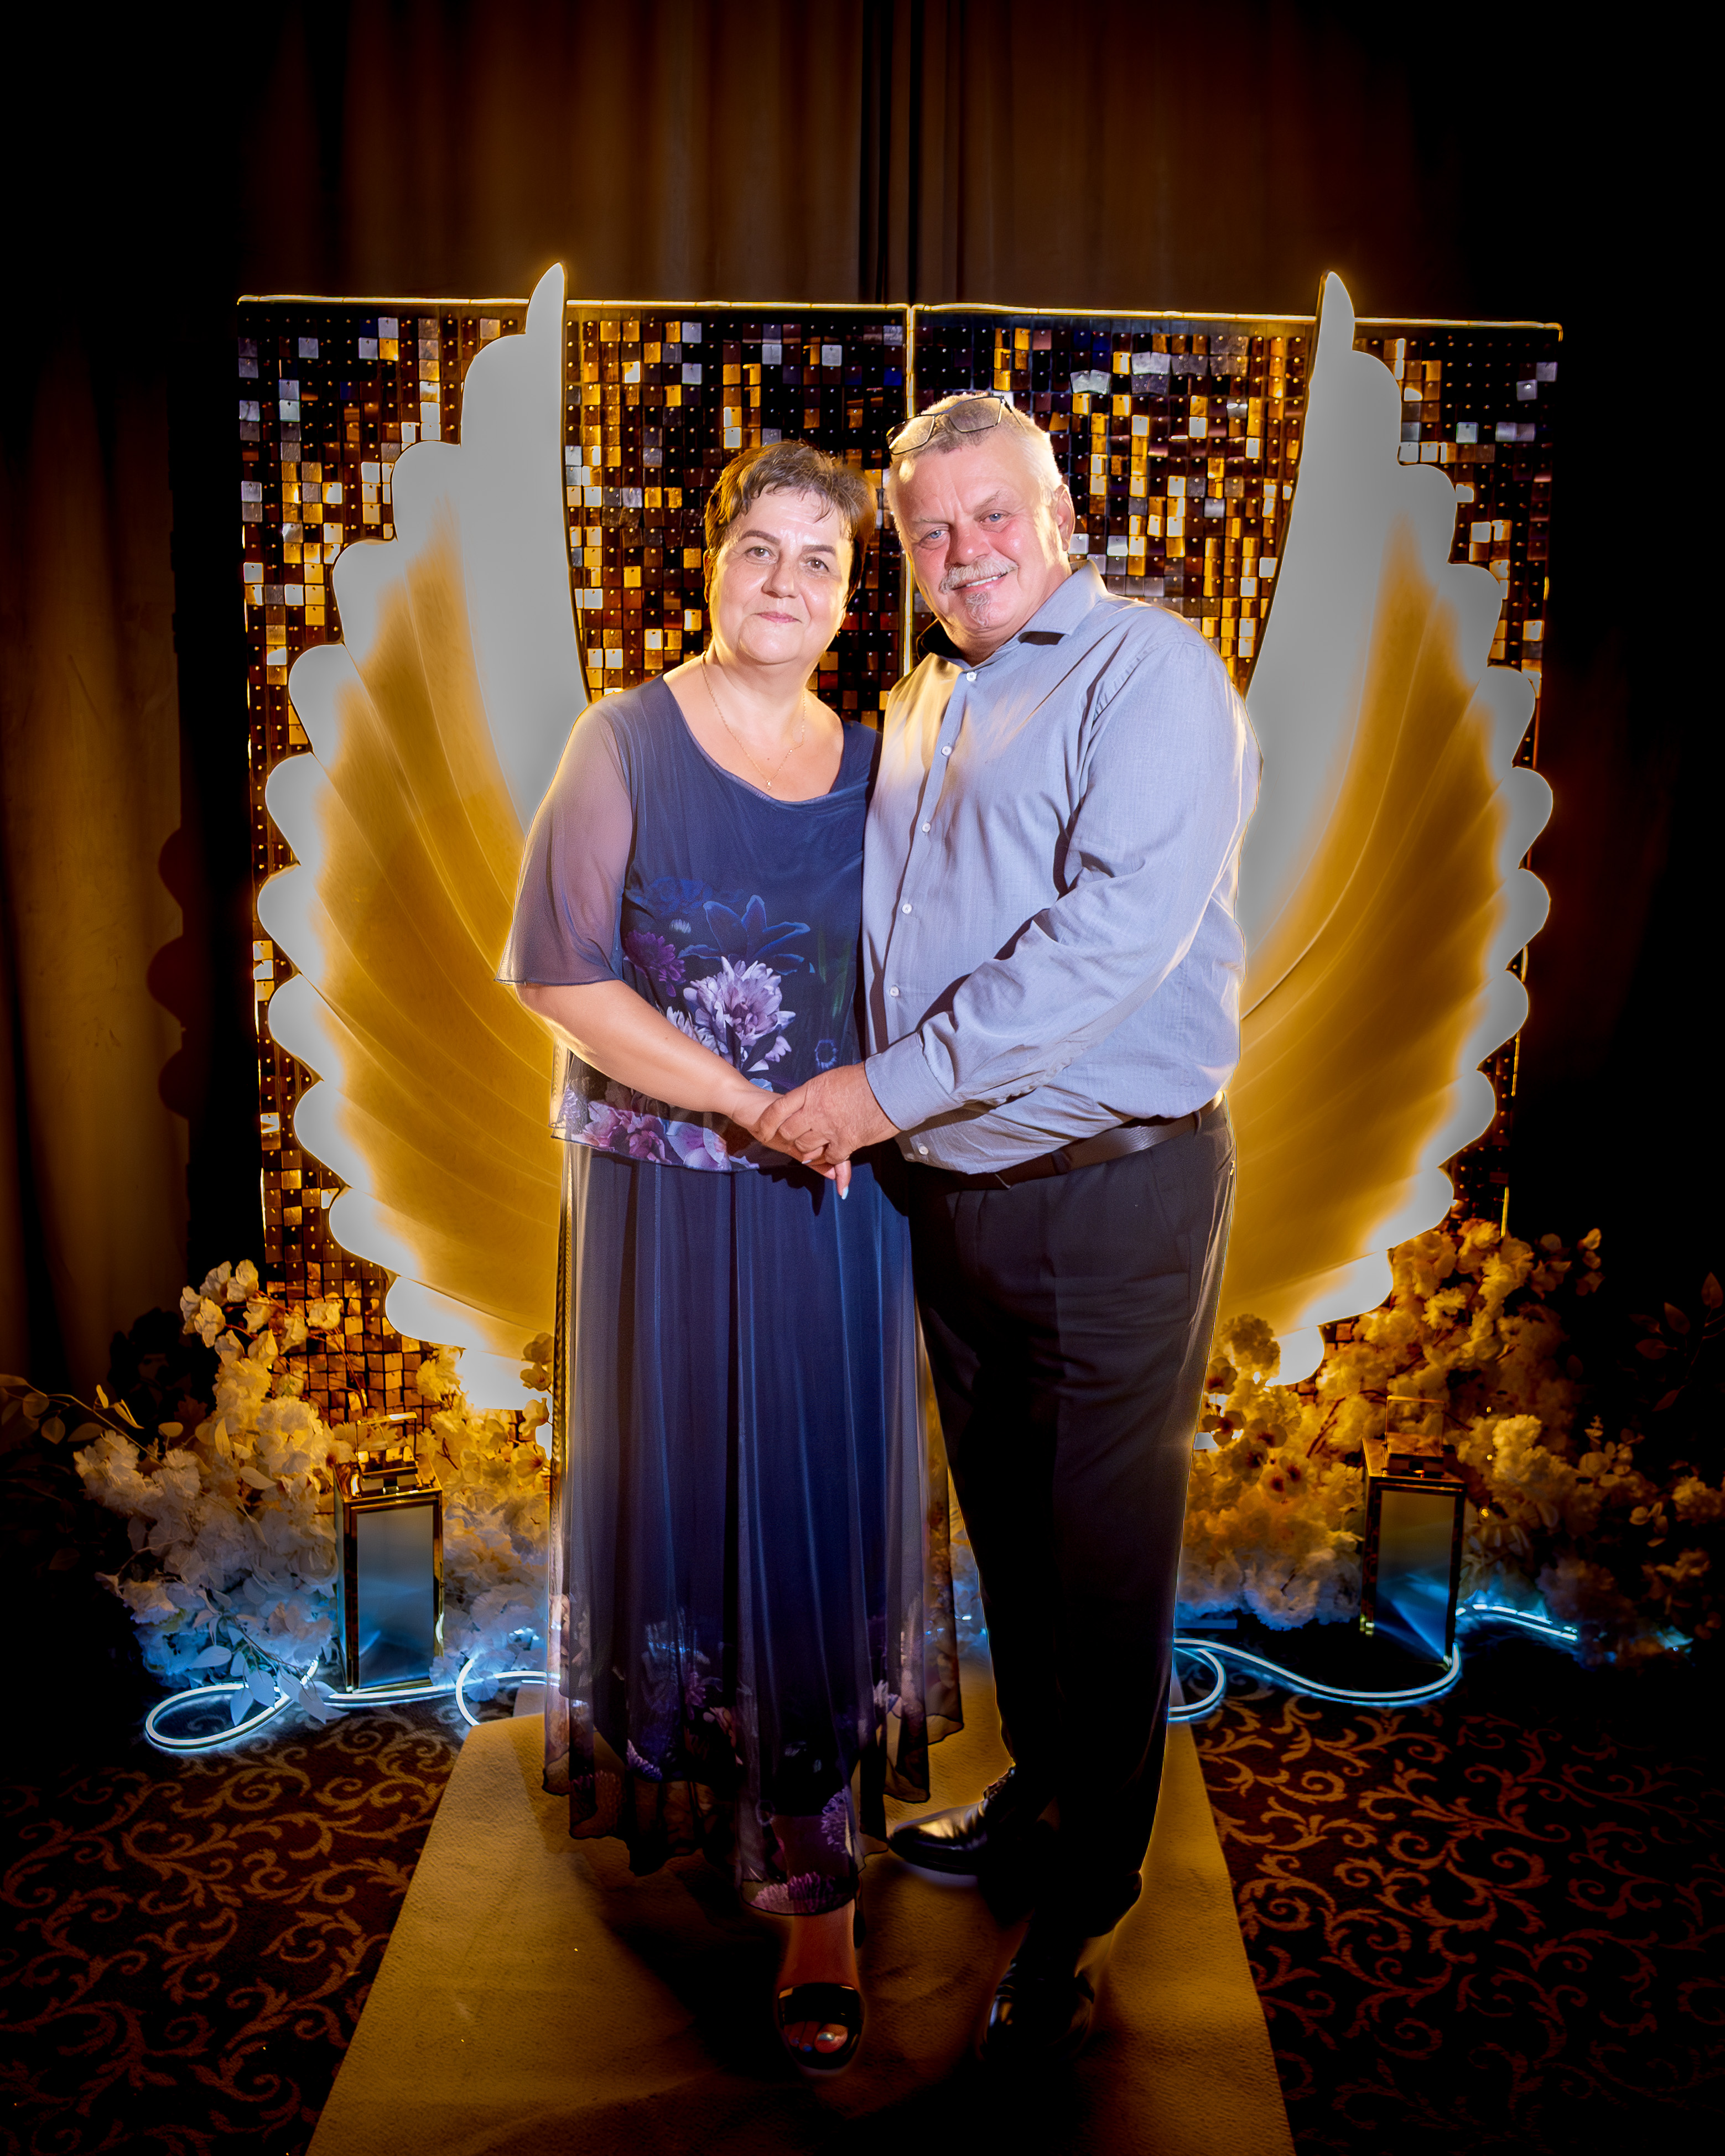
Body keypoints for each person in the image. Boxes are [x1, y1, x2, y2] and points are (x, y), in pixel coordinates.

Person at [758, 393, 1260, 2066]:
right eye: (932, 531)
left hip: (1113, 1189)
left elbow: (1106, 943)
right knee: (1017, 1547)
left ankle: (1089, 1891)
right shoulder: (919, 700)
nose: (964, 551)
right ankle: (1046, 1794)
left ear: (1058, 516)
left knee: (1102, 1563)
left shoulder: (1153, 676)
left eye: (992, 515)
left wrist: (873, 1093)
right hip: (954, 1195)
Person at [500, 439, 958, 2076]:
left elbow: (941, 962)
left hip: (834, 1204)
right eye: (760, 547)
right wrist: (752, 1103)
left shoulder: (888, 761)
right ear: (711, 564)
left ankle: (818, 1884)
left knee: (819, 1506)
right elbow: (558, 972)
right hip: (667, 1199)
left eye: (820, 561)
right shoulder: (621, 739)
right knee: (689, 1491)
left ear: (851, 598)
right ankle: (710, 1777)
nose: (786, 581)